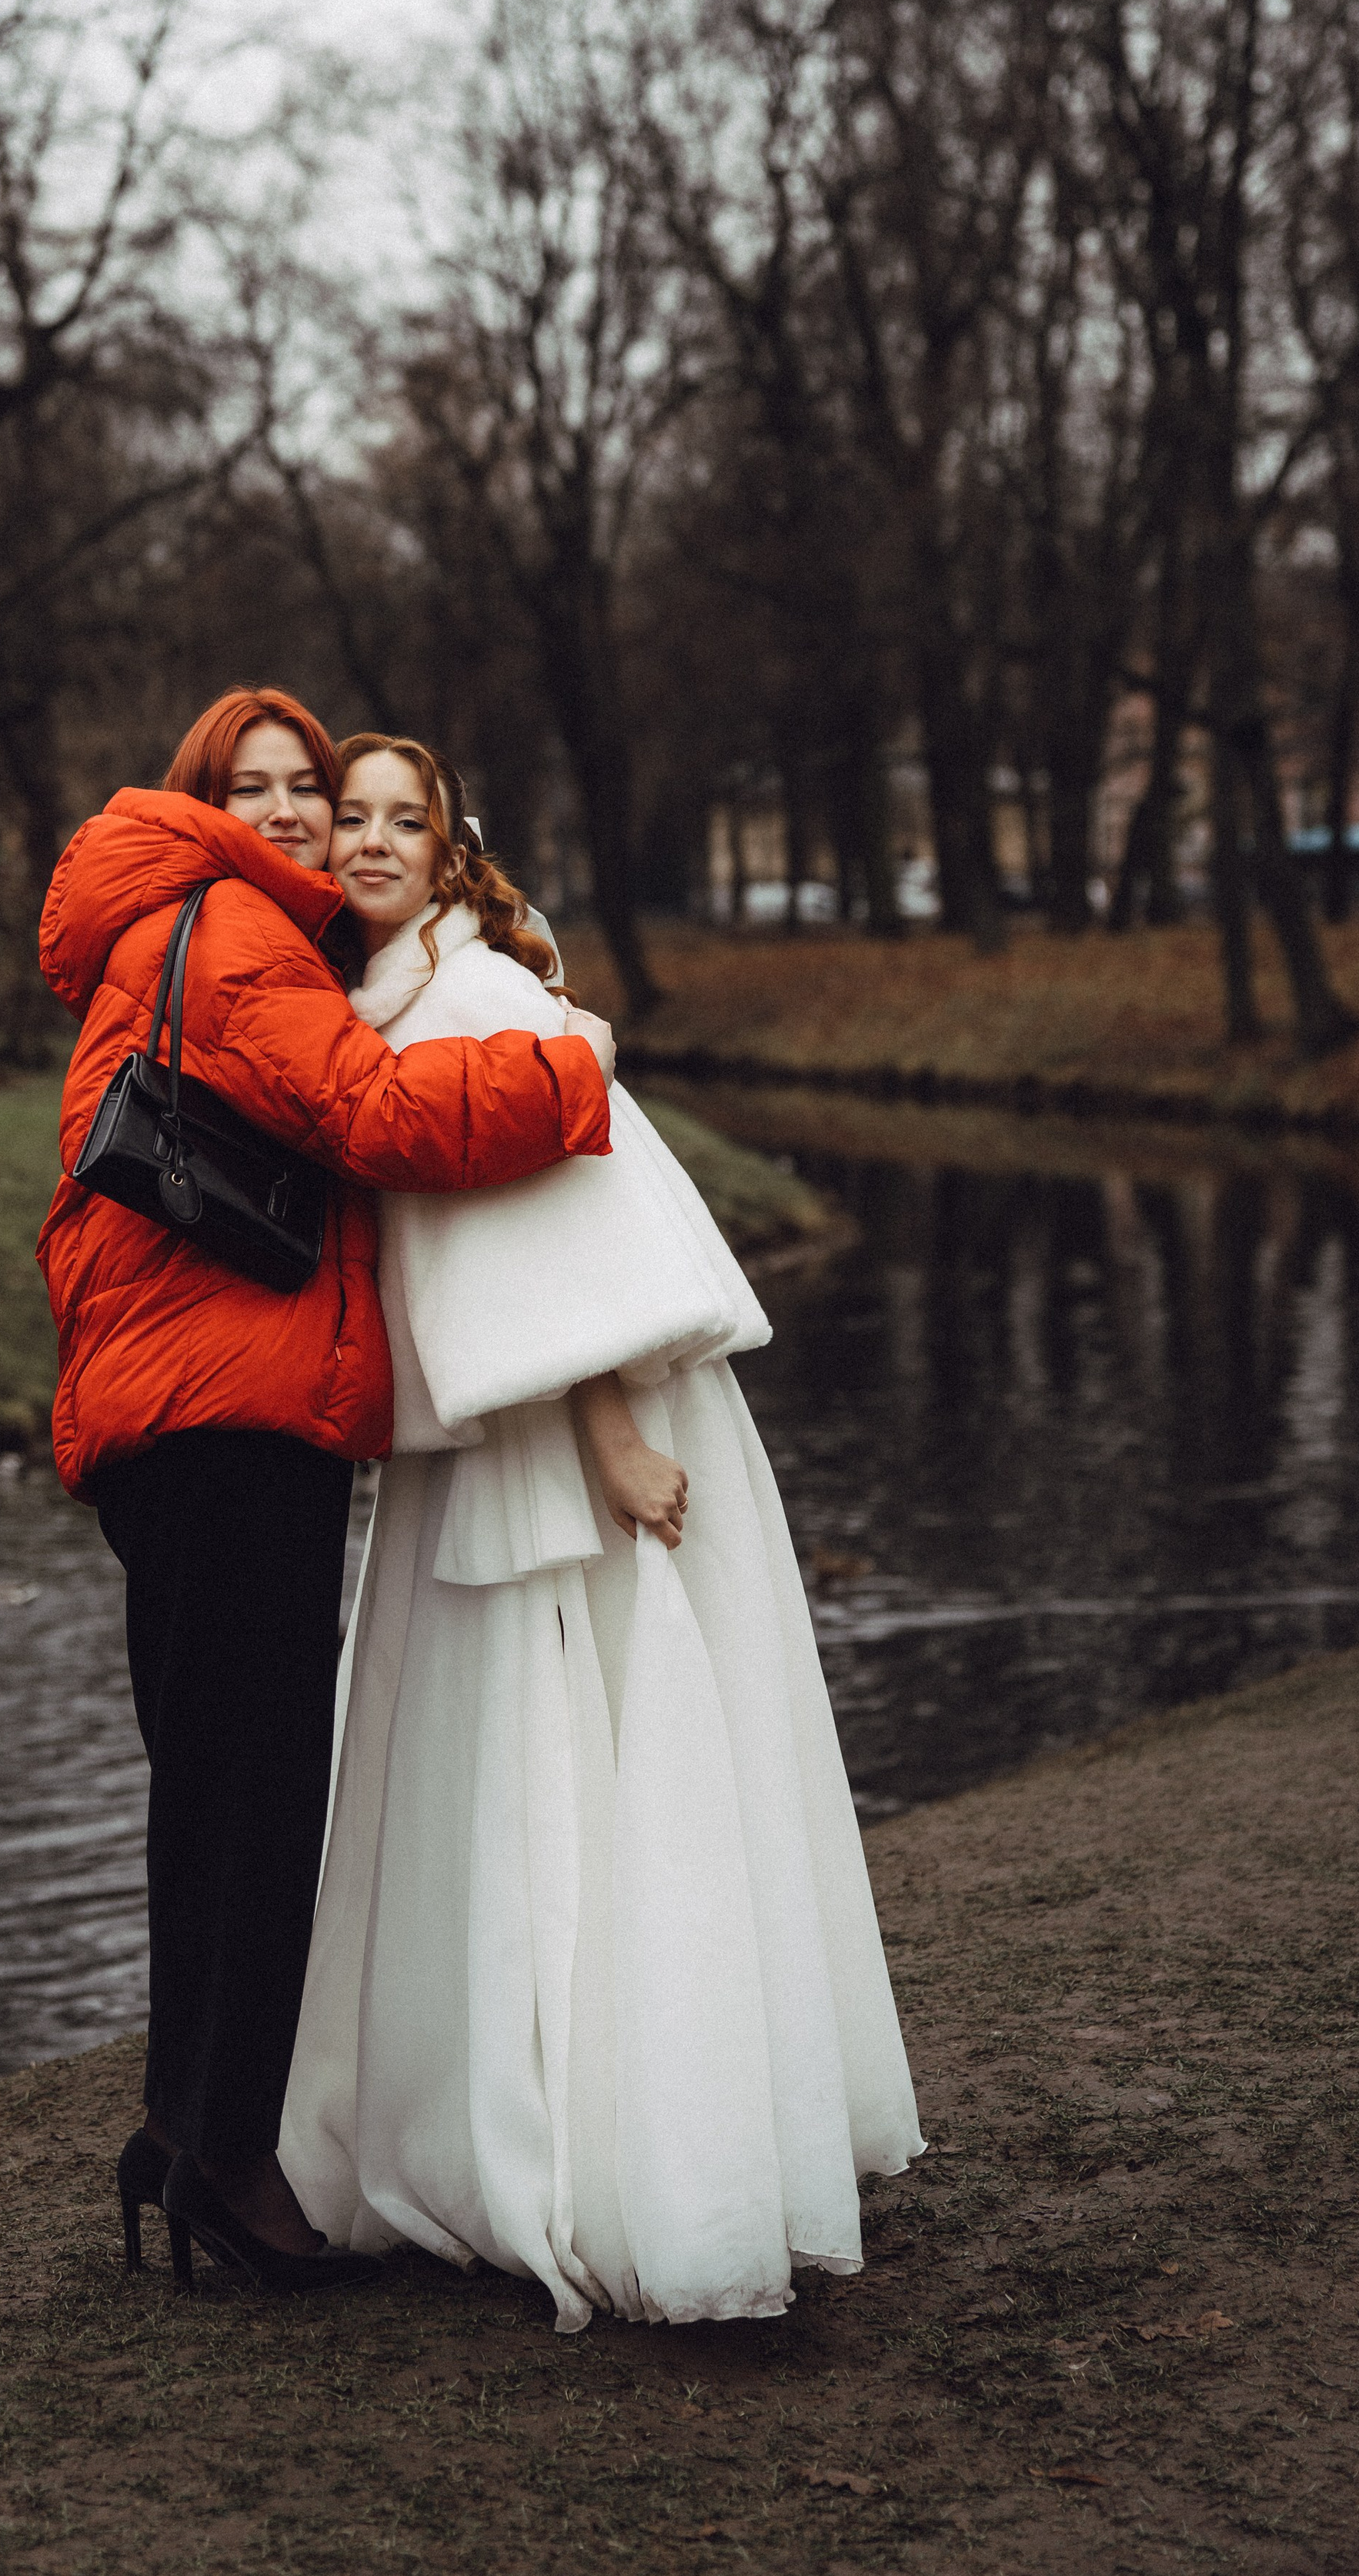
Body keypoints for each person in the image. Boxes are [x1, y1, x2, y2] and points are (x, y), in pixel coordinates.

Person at [281, 736, 923, 2330]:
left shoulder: (483, 998)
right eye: (345, 818)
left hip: (578, 1426)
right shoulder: (384, 1003)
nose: (365, 843)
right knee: (483, 1784)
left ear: (446, 846)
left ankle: (630, 2146)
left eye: (398, 821)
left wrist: (615, 1436)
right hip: (493, 1433)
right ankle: (503, 2123)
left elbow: (562, 1228)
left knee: (596, 1764)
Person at [35, 689, 620, 2296]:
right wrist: (568, 1073)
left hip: (192, 1411)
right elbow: (371, 1115)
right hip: (226, 1417)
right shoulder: (229, 928)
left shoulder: (180, 914)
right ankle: (225, 2164)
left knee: (214, 1789)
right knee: (256, 1794)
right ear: (204, 799)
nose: (296, 811)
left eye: (312, 785)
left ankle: (187, 2137)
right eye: (260, 785)